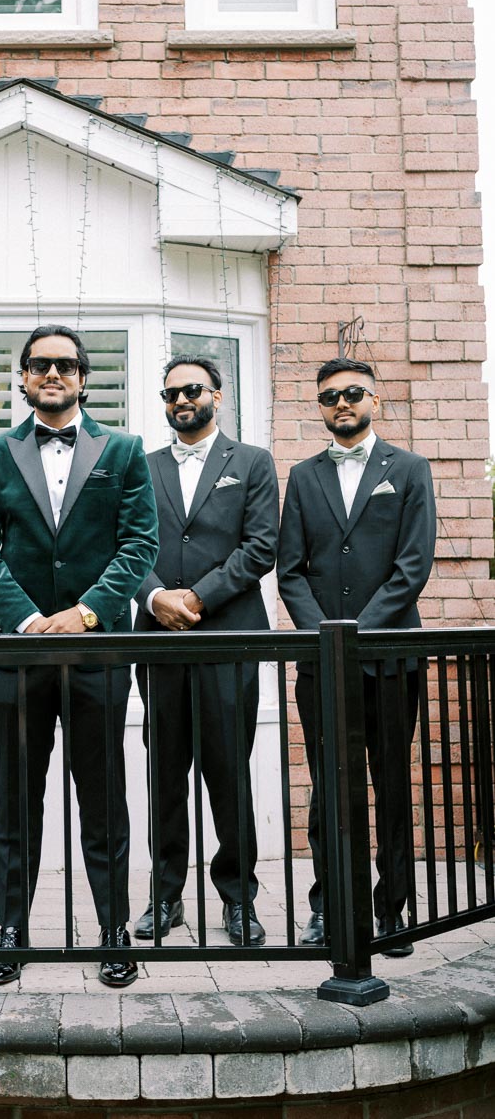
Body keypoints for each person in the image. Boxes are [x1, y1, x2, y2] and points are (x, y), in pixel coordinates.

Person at [0, 324, 159, 988]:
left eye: (65, 365)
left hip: (98, 652)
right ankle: (11, 930)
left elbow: (138, 545)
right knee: (18, 797)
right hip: (19, 655)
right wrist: (26, 620)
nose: (52, 374)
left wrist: (83, 613)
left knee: (104, 799)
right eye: (40, 365)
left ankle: (114, 930)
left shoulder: (124, 451)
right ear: (22, 378)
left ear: (83, 378)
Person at [277, 357, 437, 955]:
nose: (341, 404)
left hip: (392, 659)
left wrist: (356, 634)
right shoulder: (301, 475)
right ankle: (330, 905)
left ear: (374, 399)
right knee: (328, 790)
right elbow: (289, 571)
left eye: (352, 394)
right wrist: (326, 637)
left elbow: (412, 567)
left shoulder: (411, 469)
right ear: (320, 407)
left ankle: (392, 909)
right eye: (329, 397)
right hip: (323, 664)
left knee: (391, 783)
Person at [134, 355, 278, 947]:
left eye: (191, 389)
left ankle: (238, 898)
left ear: (217, 395)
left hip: (227, 637)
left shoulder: (252, 463)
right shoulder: (140, 468)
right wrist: (153, 598)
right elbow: (127, 546)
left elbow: (261, 547)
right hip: (158, 642)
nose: (180, 401)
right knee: (164, 771)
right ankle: (165, 896)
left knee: (227, 772)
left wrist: (194, 596)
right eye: (169, 393)